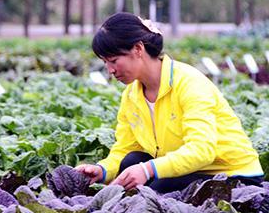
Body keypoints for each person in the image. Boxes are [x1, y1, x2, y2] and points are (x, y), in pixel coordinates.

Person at [75, 12, 264, 193]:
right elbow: (126, 148)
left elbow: (202, 151)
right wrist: (102, 170)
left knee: (161, 186)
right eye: (105, 63)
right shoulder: (131, 95)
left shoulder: (190, 83)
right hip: (192, 170)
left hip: (233, 174)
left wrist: (148, 170)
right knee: (131, 161)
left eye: (114, 61)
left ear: (138, 49)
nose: (110, 70)